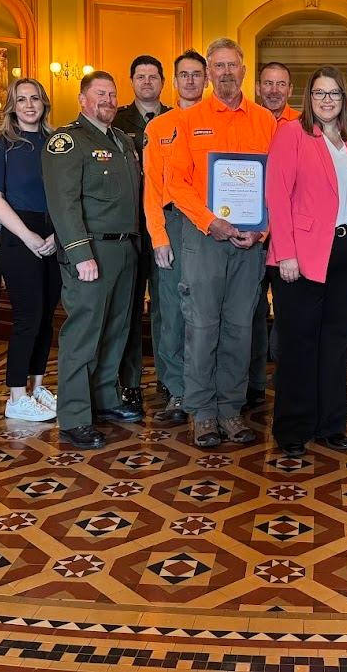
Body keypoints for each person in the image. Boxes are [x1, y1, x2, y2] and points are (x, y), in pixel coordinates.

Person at [168, 38, 276, 448]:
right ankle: (202, 413)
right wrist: (210, 221)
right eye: (219, 66)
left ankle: (230, 411)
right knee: (201, 325)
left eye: (233, 65)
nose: (227, 72)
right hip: (204, 241)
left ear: (244, 70)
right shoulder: (188, 119)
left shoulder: (265, 121)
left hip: (250, 243)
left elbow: (275, 183)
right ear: (208, 73)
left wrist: (261, 228)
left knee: (238, 328)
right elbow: (176, 181)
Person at [266, 66, 347, 457]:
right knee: (298, 342)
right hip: (303, 253)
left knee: (335, 341)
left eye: (334, 94)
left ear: (344, 100)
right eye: (319, 94)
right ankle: (293, 428)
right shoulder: (291, 134)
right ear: (308, 99)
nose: (327, 100)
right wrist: (287, 253)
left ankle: (331, 424)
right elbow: (277, 196)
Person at [42, 71, 143, 450]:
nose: (108, 100)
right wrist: (80, 253)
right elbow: (63, 203)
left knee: (115, 330)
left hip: (125, 249)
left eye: (113, 94)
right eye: (100, 93)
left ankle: (104, 399)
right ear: (82, 98)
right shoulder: (68, 141)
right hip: (92, 250)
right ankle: (74, 417)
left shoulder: (120, 140)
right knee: (83, 335)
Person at [0, 78, 59, 424]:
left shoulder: (57, 142)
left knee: (47, 316)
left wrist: (58, 233)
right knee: (27, 316)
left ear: (44, 103)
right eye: (21, 99)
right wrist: (28, 236)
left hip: (54, 234)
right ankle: (16, 395)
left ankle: (39, 386)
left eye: (35, 99)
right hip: (18, 234)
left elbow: (68, 192)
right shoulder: (0, 144)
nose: (29, 105)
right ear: (12, 106)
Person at [143, 50, 208, 426]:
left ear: (206, 79)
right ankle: (177, 390)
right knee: (171, 311)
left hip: (209, 225)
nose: (190, 80)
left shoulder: (217, 121)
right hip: (172, 223)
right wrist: (158, 236)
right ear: (174, 79)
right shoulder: (159, 126)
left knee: (206, 309)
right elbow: (151, 186)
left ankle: (204, 385)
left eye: (196, 74)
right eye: (183, 74)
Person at [112, 55, 168, 412]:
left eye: (153, 76)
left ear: (163, 82)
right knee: (128, 310)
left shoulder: (177, 118)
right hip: (129, 229)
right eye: (140, 76)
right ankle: (129, 382)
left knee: (167, 309)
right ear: (132, 81)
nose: (147, 81)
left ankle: (168, 378)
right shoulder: (115, 120)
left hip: (164, 227)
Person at [249, 60, 299, 409]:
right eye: (268, 83)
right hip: (249, 235)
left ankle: (286, 381)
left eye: (281, 84)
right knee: (249, 312)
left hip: (287, 237)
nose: (274, 90)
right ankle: (251, 385)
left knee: (288, 312)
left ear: (290, 90)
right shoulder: (246, 120)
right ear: (257, 87)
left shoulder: (303, 126)